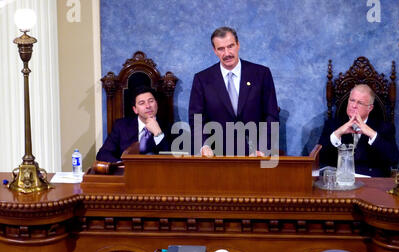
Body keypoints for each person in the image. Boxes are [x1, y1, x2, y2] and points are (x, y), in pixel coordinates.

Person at [189, 26, 279, 157]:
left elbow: (271, 115)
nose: (227, 53)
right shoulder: (202, 79)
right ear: (215, 51)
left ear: (238, 45)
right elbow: (196, 119)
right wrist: (204, 145)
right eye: (221, 49)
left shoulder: (261, 74)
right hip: (217, 155)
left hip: (256, 153)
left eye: (230, 46)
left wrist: (263, 148)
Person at [318, 84, 399, 177]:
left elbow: (394, 159)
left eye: (360, 103)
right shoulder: (332, 125)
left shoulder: (384, 127)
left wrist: (372, 135)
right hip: (340, 183)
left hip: (372, 183)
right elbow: (320, 159)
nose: (354, 105)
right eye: (352, 100)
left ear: (370, 108)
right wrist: (337, 134)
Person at [96, 85, 170, 162]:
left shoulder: (169, 127)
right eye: (142, 103)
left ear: (156, 104)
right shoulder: (121, 126)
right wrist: (122, 166)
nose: (148, 106)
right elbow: (103, 154)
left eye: (151, 101)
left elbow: (172, 159)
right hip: (126, 172)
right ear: (135, 110)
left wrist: (158, 133)